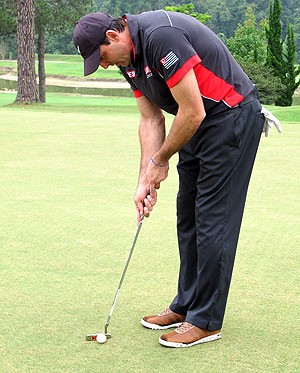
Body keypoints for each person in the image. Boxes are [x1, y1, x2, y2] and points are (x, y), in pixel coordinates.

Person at [73, 10, 266, 348]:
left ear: (114, 37)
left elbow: (193, 109)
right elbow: (151, 121)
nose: (102, 65)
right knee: (187, 216)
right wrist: (145, 178)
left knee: (212, 219)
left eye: (100, 56)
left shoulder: (161, 36)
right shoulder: (127, 62)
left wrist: (161, 160)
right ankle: (186, 304)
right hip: (195, 123)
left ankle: (206, 320)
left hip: (231, 116)